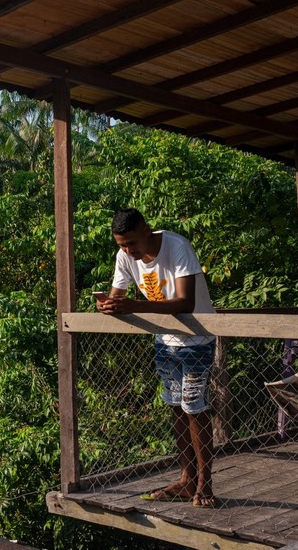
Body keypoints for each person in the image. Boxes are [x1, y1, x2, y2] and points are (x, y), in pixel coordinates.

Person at [96, 208, 217, 509]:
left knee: (194, 407)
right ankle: (186, 478)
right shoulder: (125, 256)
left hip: (196, 338)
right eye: (121, 245)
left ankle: (205, 483)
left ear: (146, 230)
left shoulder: (177, 246)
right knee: (176, 408)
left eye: (131, 243)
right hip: (164, 340)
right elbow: (118, 294)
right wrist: (110, 306)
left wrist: (135, 305)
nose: (127, 250)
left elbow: (185, 302)